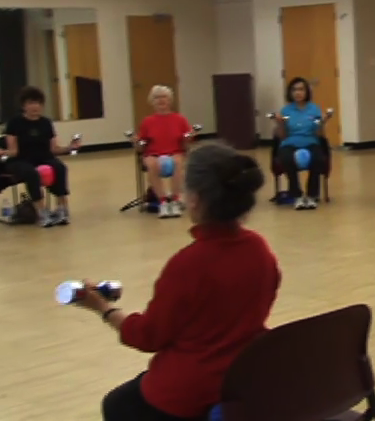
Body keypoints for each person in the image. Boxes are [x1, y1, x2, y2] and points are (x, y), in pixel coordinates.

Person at [74, 141, 280, 421]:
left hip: (191, 391)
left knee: (118, 405)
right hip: (244, 376)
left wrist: (103, 308)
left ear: (195, 199)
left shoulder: (189, 264)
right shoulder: (259, 249)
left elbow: (148, 336)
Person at [0, 86, 80, 227]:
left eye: (38, 103)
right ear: (24, 106)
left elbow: (54, 149)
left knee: (60, 167)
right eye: (30, 103)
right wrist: (1, 153)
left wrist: (70, 147)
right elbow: (13, 151)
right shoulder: (15, 123)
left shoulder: (46, 123)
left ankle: (62, 209)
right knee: (31, 173)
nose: (35, 106)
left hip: (43, 158)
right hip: (21, 160)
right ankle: (42, 212)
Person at [134, 85, 195, 218]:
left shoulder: (180, 119)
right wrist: (136, 142)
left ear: (170, 100)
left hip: (175, 151)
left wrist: (188, 138)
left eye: (164, 97)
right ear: (152, 101)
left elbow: (187, 141)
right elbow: (141, 143)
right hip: (153, 153)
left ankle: (174, 199)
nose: (161, 101)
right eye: (157, 98)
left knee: (178, 162)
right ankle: (162, 202)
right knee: (151, 164)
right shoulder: (148, 121)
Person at [275, 77, 328, 210]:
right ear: (290, 92)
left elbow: (319, 135)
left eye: (301, 89)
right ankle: (296, 195)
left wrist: (322, 123)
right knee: (286, 158)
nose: (298, 93)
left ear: (306, 92)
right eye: (294, 90)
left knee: (318, 158)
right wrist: (280, 123)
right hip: (290, 143)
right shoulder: (286, 110)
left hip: (310, 141)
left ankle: (312, 195)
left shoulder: (314, 109)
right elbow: (282, 136)